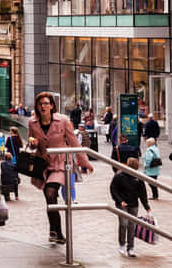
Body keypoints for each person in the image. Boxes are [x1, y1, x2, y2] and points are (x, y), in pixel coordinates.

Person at [27, 91, 93, 245]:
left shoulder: (62, 120)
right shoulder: (32, 122)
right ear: (37, 106)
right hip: (43, 164)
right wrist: (32, 144)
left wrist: (85, 162)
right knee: (49, 197)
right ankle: (56, 231)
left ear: (52, 106)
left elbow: (74, 142)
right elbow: (30, 142)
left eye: (46, 103)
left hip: (60, 163)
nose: (43, 106)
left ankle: (55, 231)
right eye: (40, 104)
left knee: (51, 192)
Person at [109, 157, 151, 258]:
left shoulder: (138, 178)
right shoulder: (119, 176)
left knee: (132, 226)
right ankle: (122, 245)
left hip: (133, 204)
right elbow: (113, 189)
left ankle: (130, 247)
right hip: (122, 203)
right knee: (123, 224)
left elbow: (142, 193)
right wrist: (120, 201)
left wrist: (147, 207)